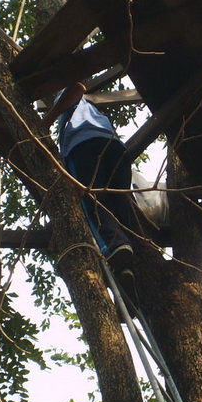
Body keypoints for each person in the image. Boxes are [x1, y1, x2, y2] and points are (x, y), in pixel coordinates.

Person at [45, 84, 138, 282]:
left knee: (91, 199)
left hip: (83, 146)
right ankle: (126, 267)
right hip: (115, 148)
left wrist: (48, 119)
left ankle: (114, 247)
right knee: (119, 205)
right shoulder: (95, 113)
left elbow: (76, 88)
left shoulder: (71, 104)